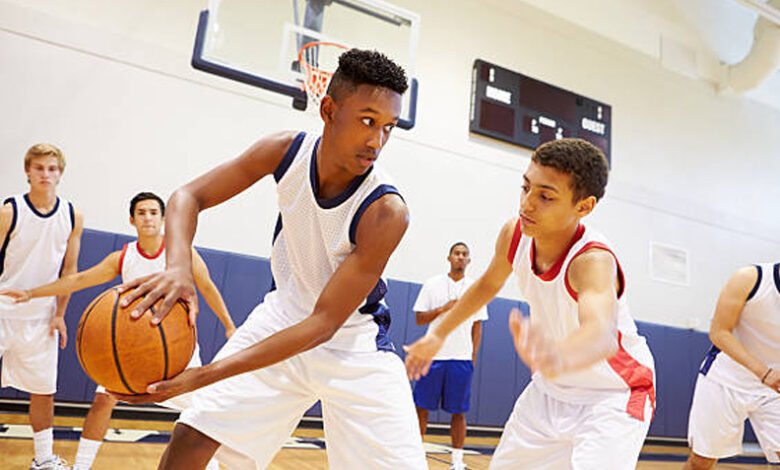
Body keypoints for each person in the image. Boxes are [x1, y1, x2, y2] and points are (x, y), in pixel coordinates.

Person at [111, 49, 427, 469]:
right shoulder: (284, 151)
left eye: (388, 128)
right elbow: (188, 197)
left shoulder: (386, 212)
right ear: (329, 109)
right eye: (368, 121)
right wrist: (178, 268)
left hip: (353, 346)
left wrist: (204, 375)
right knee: (191, 438)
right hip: (282, 317)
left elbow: (323, 324)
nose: (377, 141)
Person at [405, 138, 656, 470]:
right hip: (550, 391)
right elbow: (487, 284)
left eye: (545, 196)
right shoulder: (515, 234)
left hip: (614, 394)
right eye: (525, 188)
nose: (527, 203)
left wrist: (557, 356)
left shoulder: (592, 260)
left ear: (584, 206)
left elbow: (601, 335)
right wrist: (439, 334)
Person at [1, 191, 236, 470]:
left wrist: (229, 325)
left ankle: (213, 466)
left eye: (153, 212)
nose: (148, 218)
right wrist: (31, 293)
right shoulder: (122, 257)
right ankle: (82, 466)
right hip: (130, 347)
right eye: (141, 213)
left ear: (162, 219)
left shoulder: (182, 253)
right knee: (103, 400)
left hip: (176, 348)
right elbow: (79, 280)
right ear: (131, 220)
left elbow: (208, 287)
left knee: (198, 413)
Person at [0, 143, 83, 470]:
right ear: (28, 172)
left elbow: (70, 271)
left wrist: (60, 314)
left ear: (60, 173)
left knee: (43, 391)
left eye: (52, 168)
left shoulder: (73, 214)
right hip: (3, 309)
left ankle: (44, 458)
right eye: (39, 168)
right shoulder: (9, 211)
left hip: (43, 315)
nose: (45, 174)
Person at [684, 264, 780, 469]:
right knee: (701, 462)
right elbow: (719, 333)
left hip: (774, 390)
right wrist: (763, 372)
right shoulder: (751, 278)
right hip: (725, 380)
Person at [412, 241, 488, 470]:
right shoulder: (432, 284)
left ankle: (457, 462)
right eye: (457, 253)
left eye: (465, 254)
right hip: (432, 357)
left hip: (460, 359)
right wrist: (441, 310)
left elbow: (478, 326)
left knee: (459, 412)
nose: (460, 257)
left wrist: (473, 356)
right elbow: (419, 319)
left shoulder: (476, 289)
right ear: (449, 257)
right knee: (421, 408)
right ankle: (415, 457)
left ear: (469, 260)